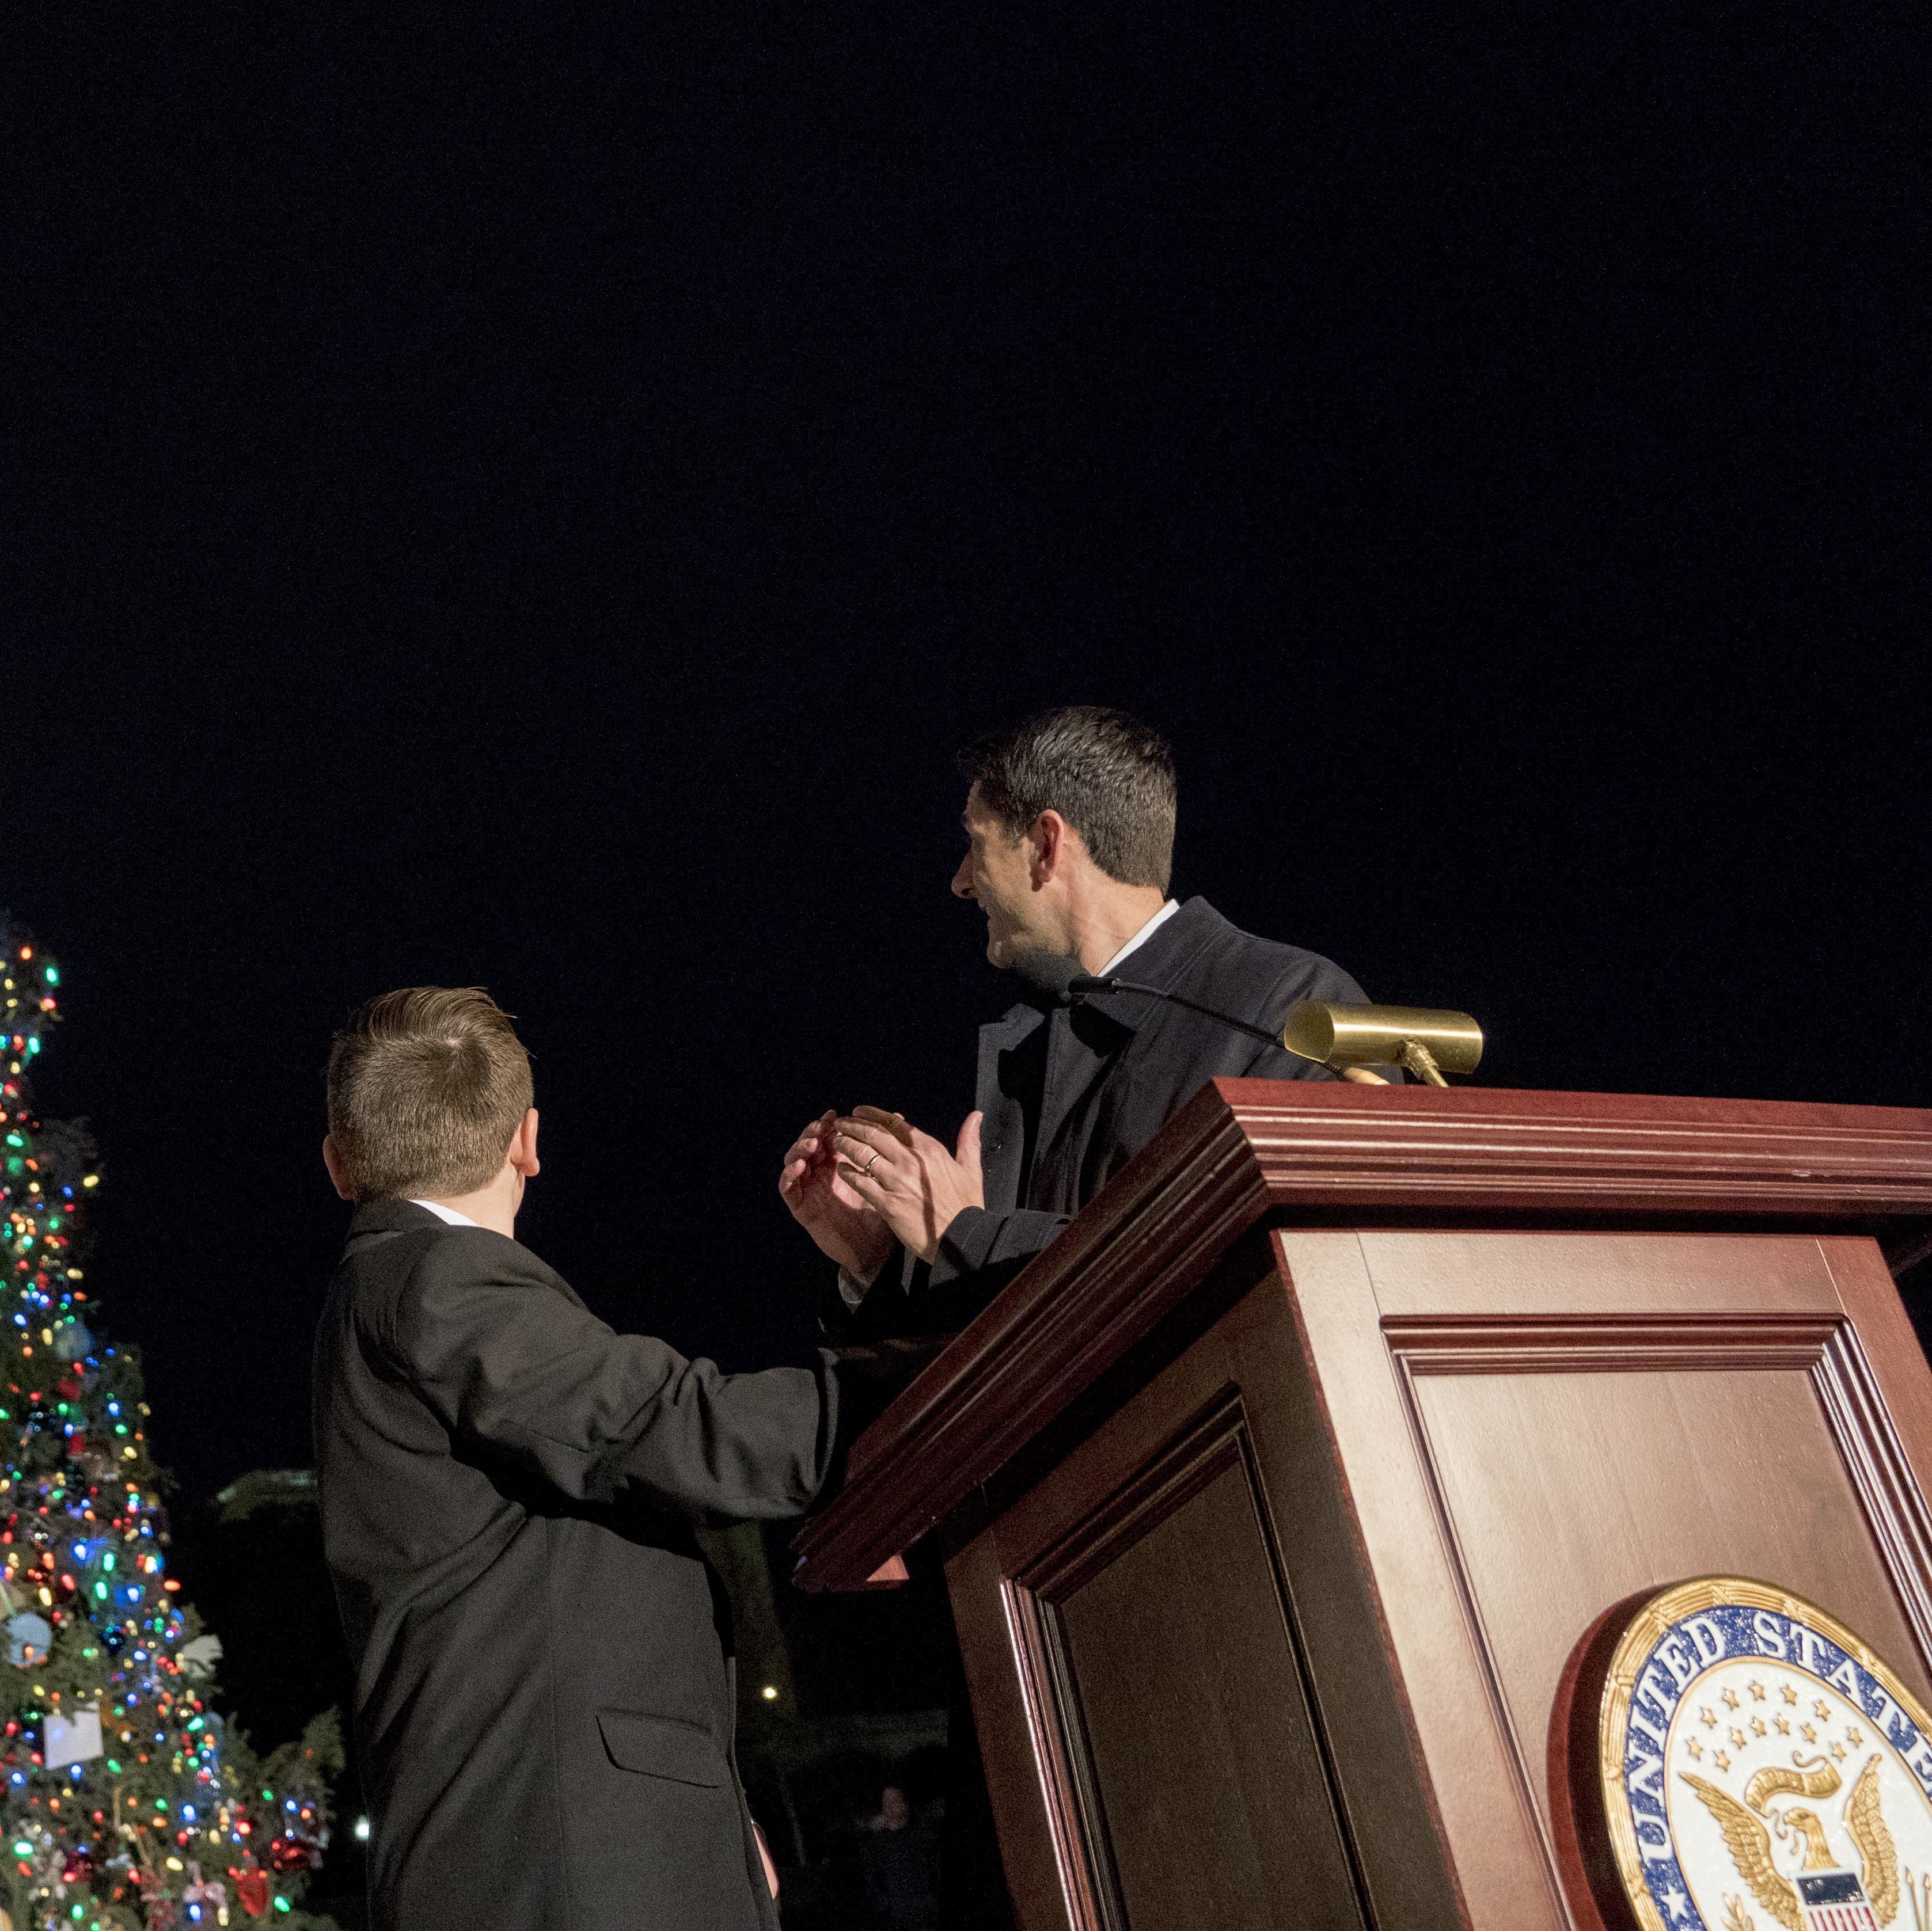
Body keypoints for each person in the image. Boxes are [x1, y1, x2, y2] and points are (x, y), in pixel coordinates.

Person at [313, 986, 836, 1931]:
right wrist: (934, 1386)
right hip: (558, 1864)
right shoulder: (436, 1281)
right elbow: (675, 1425)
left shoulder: (396, 1292)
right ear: (528, 1141)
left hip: (573, 1848)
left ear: (340, 1164)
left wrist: (708, 1813)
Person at [783, 705, 1371, 1336]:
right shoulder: (1029, 1054)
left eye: (975, 844)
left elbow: (1265, 1280)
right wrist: (877, 1262)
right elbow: (1006, 1335)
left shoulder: (1294, 1009)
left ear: (1045, 845)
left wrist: (962, 1234)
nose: (959, 882)